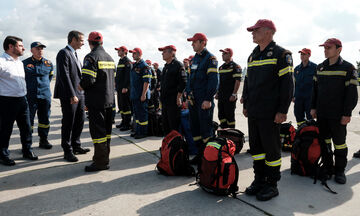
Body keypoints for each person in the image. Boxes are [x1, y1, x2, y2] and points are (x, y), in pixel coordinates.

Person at [242, 19, 294, 201]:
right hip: (254, 111)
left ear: (268, 32)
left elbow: (287, 85)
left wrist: (282, 110)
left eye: (256, 30)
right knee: (256, 148)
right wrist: (246, 104)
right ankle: (259, 180)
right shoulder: (253, 55)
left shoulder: (281, 54)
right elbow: (247, 82)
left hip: (271, 113)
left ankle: (272, 185)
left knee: (271, 150)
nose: (252, 33)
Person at [311, 38, 358, 184]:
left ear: (339, 50)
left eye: (328, 48)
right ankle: (327, 168)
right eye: (324, 48)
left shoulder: (348, 69)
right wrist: (313, 107)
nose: (325, 50)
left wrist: (347, 114)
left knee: (339, 144)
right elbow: (315, 90)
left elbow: (352, 94)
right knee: (324, 142)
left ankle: (339, 171)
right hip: (322, 114)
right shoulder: (320, 68)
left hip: (338, 115)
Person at [78, 31, 115, 172]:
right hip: (109, 101)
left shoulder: (91, 57)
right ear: (102, 42)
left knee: (98, 134)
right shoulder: (110, 58)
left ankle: (100, 162)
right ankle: (104, 158)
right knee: (107, 133)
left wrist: (80, 85)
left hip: (96, 102)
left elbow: (88, 80)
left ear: (90, 43)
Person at [0, 36, 38, 166]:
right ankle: (3, 155)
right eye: (20, 46)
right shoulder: (1, 62)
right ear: (11, 47)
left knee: (26, 127)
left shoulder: (19, 63)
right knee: (5, 129)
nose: (23, 48)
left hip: (22, 100)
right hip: (6, 101)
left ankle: (27, 150)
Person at [54, 30, 90, 162]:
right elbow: (64, 75)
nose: (83, 43)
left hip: (79, 94)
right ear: (73, 40)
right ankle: (67, 150)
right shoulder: (63, 53)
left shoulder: (74, 54)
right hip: (70, 95)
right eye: (81, 40)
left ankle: (76, 145)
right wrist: (71, 94)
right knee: (69, 122)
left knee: (80, 120)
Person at [186, 33, 219, 164]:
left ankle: (208, 158)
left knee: (206, 131)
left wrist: (208, 99)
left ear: (203, 42)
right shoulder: (194, 59)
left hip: (204, 101)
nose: (192, 44)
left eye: (194, 42)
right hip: (193, 101)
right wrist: (188, 94)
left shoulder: (210, 59)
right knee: (195, 129)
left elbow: (213, 81)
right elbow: (190, 80)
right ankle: (200, 155)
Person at [23, 42, 54, 149]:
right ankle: (27, 144)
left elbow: (49, 78)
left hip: (44, 96)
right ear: (32, 50)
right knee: (28, 121)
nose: (40, 50)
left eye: (41, 48)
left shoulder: (48, 63)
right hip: (30, 97)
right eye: (37, 48)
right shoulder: (24, 63)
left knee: (44, 120)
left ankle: (44, 140)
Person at [158, 45, 187, 135]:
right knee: (165, 124)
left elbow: (183, 82)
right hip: (165, 100)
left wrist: (179, 97)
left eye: (164, 52)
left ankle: (175, 147)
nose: (162, 54)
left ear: (172, 53)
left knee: (173, 125)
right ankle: (167, 145)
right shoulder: (166, 66)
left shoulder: (178, 65)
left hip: (173, 101)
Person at [129, 48, 151, 139]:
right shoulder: (135, 65)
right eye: (132, 53)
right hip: (135, 94)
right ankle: (138, 130)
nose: (132, 55)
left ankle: (143, 132)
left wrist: (143, 94)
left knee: (142, 115)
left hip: (141, 95)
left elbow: (146, 82)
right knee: (137, 115)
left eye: (134, 53)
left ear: (139, 54)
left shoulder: (144, 66)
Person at [216, 48, 242, 128]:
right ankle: (224, 133)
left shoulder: (236, 67)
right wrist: (217, 93)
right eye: (222, 54)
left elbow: (237, 81)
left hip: (230, 96)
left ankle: (231, 135)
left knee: (229, 117)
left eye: (224, 54)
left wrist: (234, 94)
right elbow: (219, 82)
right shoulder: (221, 68)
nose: (222, 55)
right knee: (221, 116)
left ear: (230, 55)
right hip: (221, 96)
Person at [293, 48, 317, 126]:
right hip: (298, 98)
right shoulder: (296, 69)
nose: (302, 56)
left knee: (310, 118)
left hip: (309, 98)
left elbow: (317, 85)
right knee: (298, 116)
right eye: (301, 54)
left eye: (304, 54)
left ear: (309, 55)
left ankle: (310, 133)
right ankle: (301, 131)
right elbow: (294, 84)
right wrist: (293, 96)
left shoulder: (315, 68)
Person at [114, 46, 133, 131]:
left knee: (126, 106)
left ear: (124, 51)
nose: (117, 52)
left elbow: (128, 76)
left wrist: (126, 87)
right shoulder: (121, 61)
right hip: (119, 88)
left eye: (119, 50)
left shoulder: (127, 62)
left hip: (124, 88)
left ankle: (127, 123)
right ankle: (123, 121)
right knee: (121, 106)